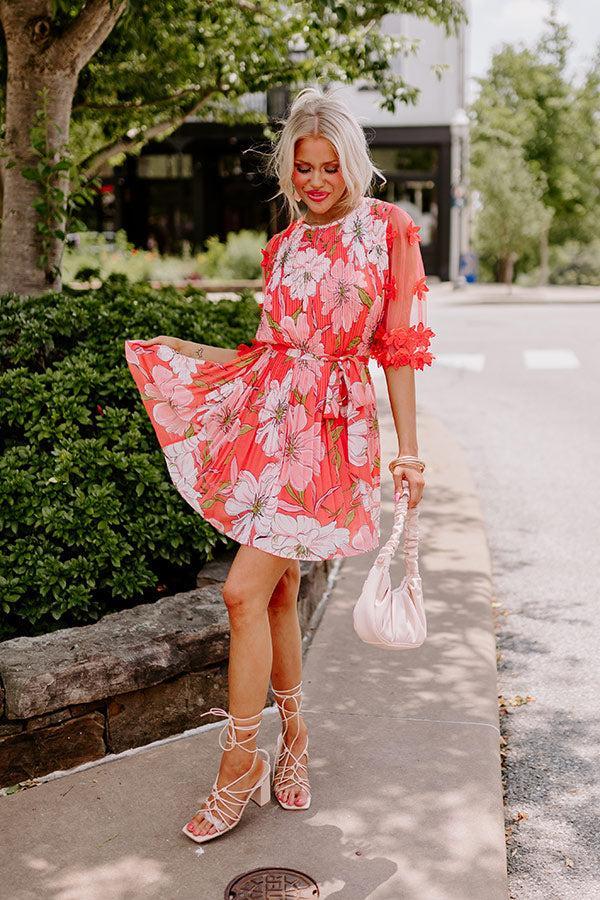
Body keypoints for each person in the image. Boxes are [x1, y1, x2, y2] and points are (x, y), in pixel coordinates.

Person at [124, 86, 435, 844]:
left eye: (330, 166)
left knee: (240, 591)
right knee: (274, 591)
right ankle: (291, 743)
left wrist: (409, 452)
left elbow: (396, 352)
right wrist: (201, 368)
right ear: (290, 171)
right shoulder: (284, 246)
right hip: (268, 423)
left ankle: (238, 765)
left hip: (327, 435)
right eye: (305, 168)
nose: (318, 181)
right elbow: (267, 349)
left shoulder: (387, 231)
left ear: (352, 164)